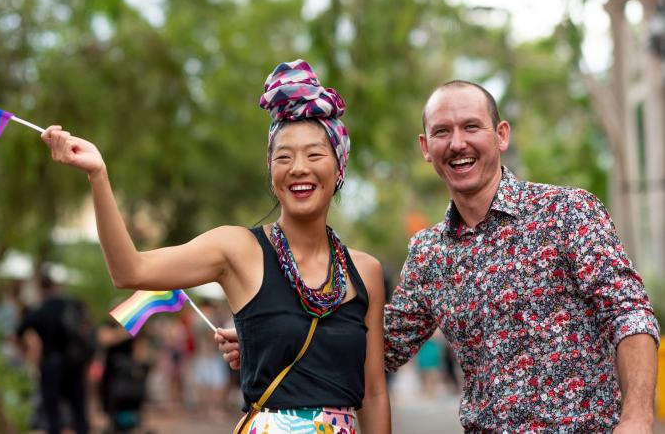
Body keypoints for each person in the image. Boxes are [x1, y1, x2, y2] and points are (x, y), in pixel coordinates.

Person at [221, 79, 660, 432]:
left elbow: (630, 314)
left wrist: (638, 417)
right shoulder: (430, 254)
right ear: (425, 147)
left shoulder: (567, 212)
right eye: (442, 132)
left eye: (471, 127)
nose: (457, 143)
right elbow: (377, 349)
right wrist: (275, 336)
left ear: (500, 135)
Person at [41, 59, 391, 433]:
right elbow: (130, 270)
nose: (298, 168)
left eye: (315, 154)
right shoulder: (237, 249)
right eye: (283, 156)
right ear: (271, 173)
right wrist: (98, 176)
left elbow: (372, 394)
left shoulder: (364, 272)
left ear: (339, 168)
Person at [16, 274, 93, 434]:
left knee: (52, 410)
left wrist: (27, 351)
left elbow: (19, 331)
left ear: (40, 289)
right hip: (74, 363)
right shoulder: (72, 304)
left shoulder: (41, 310)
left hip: (51, 364)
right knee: (78, 406)